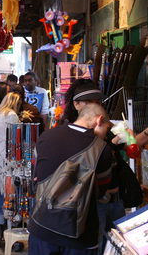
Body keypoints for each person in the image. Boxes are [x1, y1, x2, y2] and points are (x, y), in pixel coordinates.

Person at [61, 79, 148, 253]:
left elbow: (129, 146)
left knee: (116, 245)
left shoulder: (105, 125)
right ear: (77, 104)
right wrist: (109, 141)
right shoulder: (69, 130)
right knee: (97, 246)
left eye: (97, 101)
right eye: (89, 101)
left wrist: (146, 132)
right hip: (92, 202)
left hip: (115, 198)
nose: (95, 105)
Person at [28, 103, 114, 255]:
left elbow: (35, 175)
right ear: (99, 120)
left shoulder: (46, 136)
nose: (106, 135)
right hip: (80, 235)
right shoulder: (102, 149)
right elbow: (100, 192)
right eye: (106, 129)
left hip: (42, 226)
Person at [0, 93, 22, 246]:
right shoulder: (12, 115)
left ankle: (0, 230)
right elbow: (17, 139)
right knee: (10, 196)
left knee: (1, 196)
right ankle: (8, 231)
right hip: (9, 162)